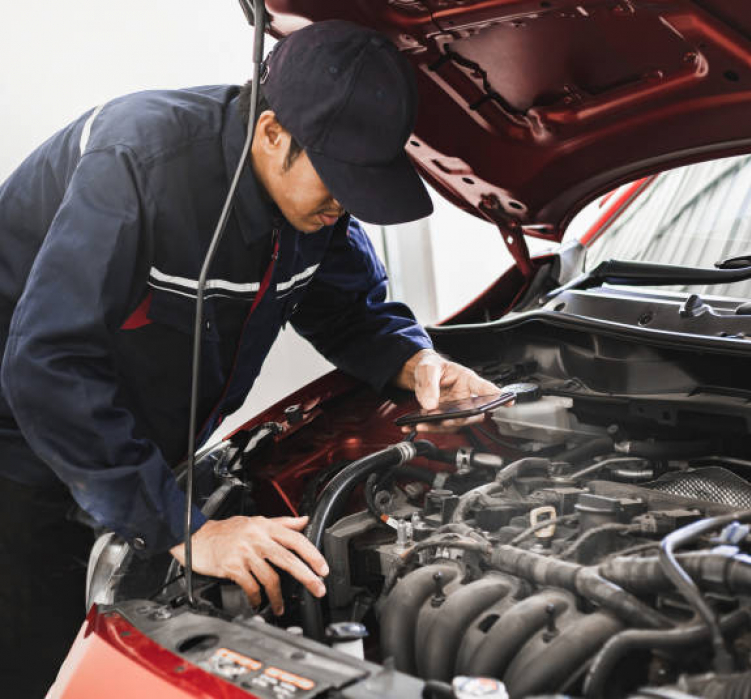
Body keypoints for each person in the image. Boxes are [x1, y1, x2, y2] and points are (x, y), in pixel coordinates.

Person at [0, 19, 498, 696]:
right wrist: (181, 527)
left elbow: (347, 309)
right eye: (341, 179)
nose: (348, 204)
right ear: (271, 134)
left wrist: (414, 363)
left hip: (146, 443)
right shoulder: (137, 166)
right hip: (21, 446)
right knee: (44, 658)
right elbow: (46, 362)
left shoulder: (314, 209)